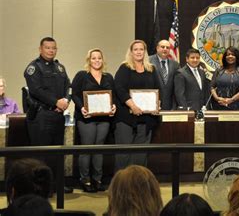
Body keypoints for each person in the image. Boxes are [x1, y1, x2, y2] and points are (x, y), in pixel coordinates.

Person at [23, 37, 72, 193]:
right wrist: (56, 102)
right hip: (41, 116)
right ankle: (41, 187)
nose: (51, 50)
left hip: (58, 115)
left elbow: (68, 87)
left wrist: (65, 101)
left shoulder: (60, 68)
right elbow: (36, 90)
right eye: (48, 48)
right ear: (40, 49)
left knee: (57, 152)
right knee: (41, 154)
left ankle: (56, 184)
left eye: (54, 48)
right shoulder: (33, 68)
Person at [71, 48, 117, 192]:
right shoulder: (82, 76)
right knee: (87, 148)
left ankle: (97, 179)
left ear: (103, 60)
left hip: (104, 118)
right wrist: (81, 108)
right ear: (88, 60)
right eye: (93, 58)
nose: (97, 60)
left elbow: (113, 95)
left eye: (99, 58)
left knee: (99, 148)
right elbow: (75, 95)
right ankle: (85, 180)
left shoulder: (108, 77)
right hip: (86, 118)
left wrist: (113, 106)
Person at [114, 40, 160, 171]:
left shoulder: (151, 69)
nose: (139, 52)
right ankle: (122, 186)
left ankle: (138, 185)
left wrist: (156, 106)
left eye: (141, 49)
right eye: (136, 49)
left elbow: (157, 90)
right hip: (126, 118)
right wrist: (132, 106)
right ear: (131, 52)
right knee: (124, 154)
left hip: (146, 118)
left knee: (141, 154)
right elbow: (119, 88)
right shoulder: (125, 67)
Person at [210, 46, 239, 110]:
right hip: (219, 105)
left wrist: (231, 100)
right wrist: (217, 98)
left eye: (233, 55)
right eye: (228, 54)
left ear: (237, 57)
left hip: (237, 106)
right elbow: (212, 87)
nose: (230, 56)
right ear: (225, 57)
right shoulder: (219, 70)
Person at [149, 39, 180, 110]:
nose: (165, 49)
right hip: (152, 104)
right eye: (162, 47)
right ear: (157, 48)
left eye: (167, 47)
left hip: (170, 105)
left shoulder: (175, 64)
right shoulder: (148, 61)